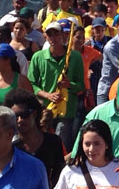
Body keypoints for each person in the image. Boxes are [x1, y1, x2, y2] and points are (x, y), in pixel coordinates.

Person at [28, 20, 85, 150]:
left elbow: (81, 85)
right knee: (41, 145)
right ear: (46, 37)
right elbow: (31, 84)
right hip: (44, 109)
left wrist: (69, 85)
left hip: (66, 110)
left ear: (63, 36)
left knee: (61, 145)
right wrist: (47, 95)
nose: (53, 38)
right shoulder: (38, 57)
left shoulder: (75, 57)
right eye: (50, 34)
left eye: (56, 34)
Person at [4, 89, 65, 189]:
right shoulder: (11, 147)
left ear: (34, 114)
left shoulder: (53, 142)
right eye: (15, 116)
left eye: (24, 115)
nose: (19, 120)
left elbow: (59, 175)